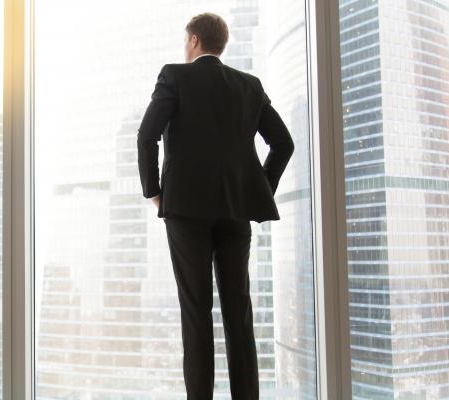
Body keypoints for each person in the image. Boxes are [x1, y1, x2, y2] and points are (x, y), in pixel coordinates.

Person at [136, 12, 294, 400]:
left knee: (196, 312)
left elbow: (146, 136)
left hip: (186, 210)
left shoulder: (175, 76)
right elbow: (283, 144)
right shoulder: (249, 85)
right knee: (238, 311)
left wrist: (153, 192)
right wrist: (257, 190)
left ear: (193, 41)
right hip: (235, 211)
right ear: (220, 45)